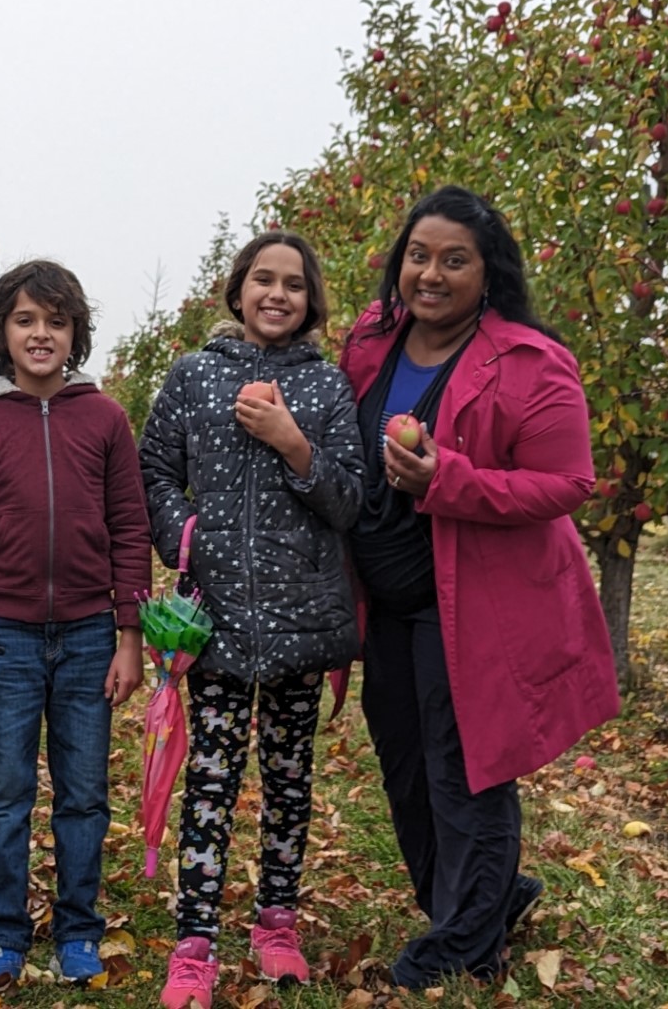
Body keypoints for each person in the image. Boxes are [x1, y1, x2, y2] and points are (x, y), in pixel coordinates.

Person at [338, 185, 618, 988]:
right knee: (402, 759)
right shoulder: (372, 346)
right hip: (385, 599)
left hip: (472, 601)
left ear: (486, 273)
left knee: (464, 766)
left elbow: (567, 482)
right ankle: (476, 902)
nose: (431, 274)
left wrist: (448, 479)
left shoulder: (529, 361)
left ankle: (467, 941)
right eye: (418, 256)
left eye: (453, 260)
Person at [136, 231, 366, 1009]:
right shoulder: (195, 377)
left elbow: (348, 501)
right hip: (220, 620)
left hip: (304, 622)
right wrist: (186, 536)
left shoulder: (329, 389)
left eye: (293, 284)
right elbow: (154, 469)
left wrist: (293, 443)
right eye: (262, 280)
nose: (277, 294)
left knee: (290, 779)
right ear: (237, 291)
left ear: (310, 302)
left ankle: (276, 922)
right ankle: (194, 941)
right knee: (212, 778)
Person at [0, 260, 152, 989]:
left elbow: (129, 528)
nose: (41, 333)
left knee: (84, 791)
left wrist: (129, 636)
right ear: (3, 330)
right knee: (6, 793)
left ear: (76, 333)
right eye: (25, 319)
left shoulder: (105, 418)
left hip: (90, 634)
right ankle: (3, 932)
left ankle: (79, 929)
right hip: (3, 636)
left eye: (56, 321)